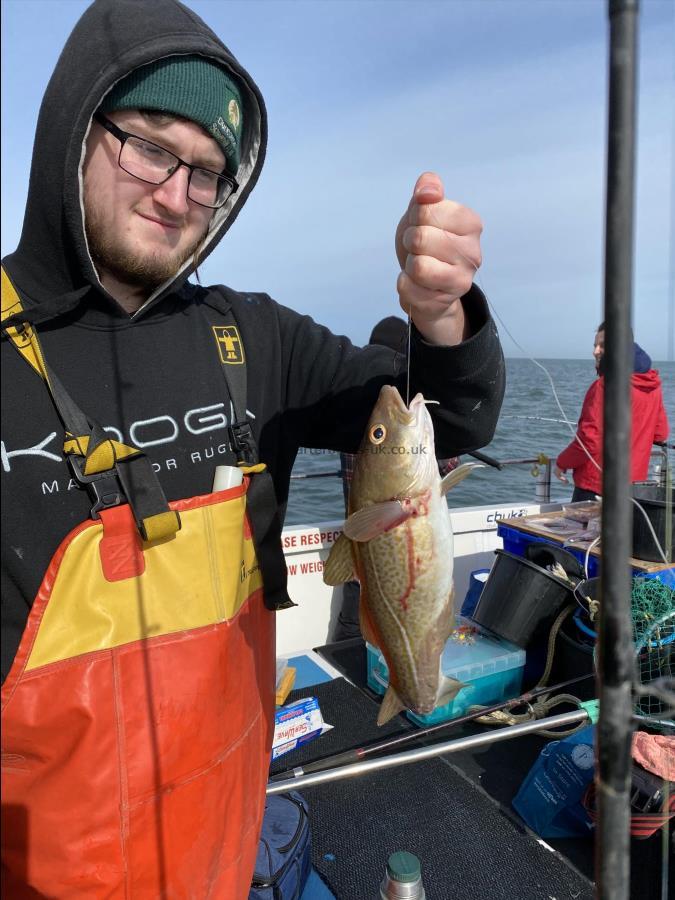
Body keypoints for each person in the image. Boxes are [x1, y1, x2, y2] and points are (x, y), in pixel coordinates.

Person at [0, 1, 505, 896]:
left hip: (223, 836)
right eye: (151, 147)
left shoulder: (253, 338)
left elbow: (452, 424)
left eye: (208, 174)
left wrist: (443, 318)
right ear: (73, 130)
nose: (176, 194)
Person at [334, 315, 460, 641]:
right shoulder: (390, 424)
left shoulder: (361, 416)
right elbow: (443, 469)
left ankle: (349, 667)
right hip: (398, 546)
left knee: (355, 612)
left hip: (363, 545)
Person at [555, 321, 669, 502]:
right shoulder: (653, 386)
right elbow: (661, 434)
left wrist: (562, 462)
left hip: (595, 487)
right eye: (595, 346)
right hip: (631, 490)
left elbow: (589, 440)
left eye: (603, 346)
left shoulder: (604, 385)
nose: (595, 351)